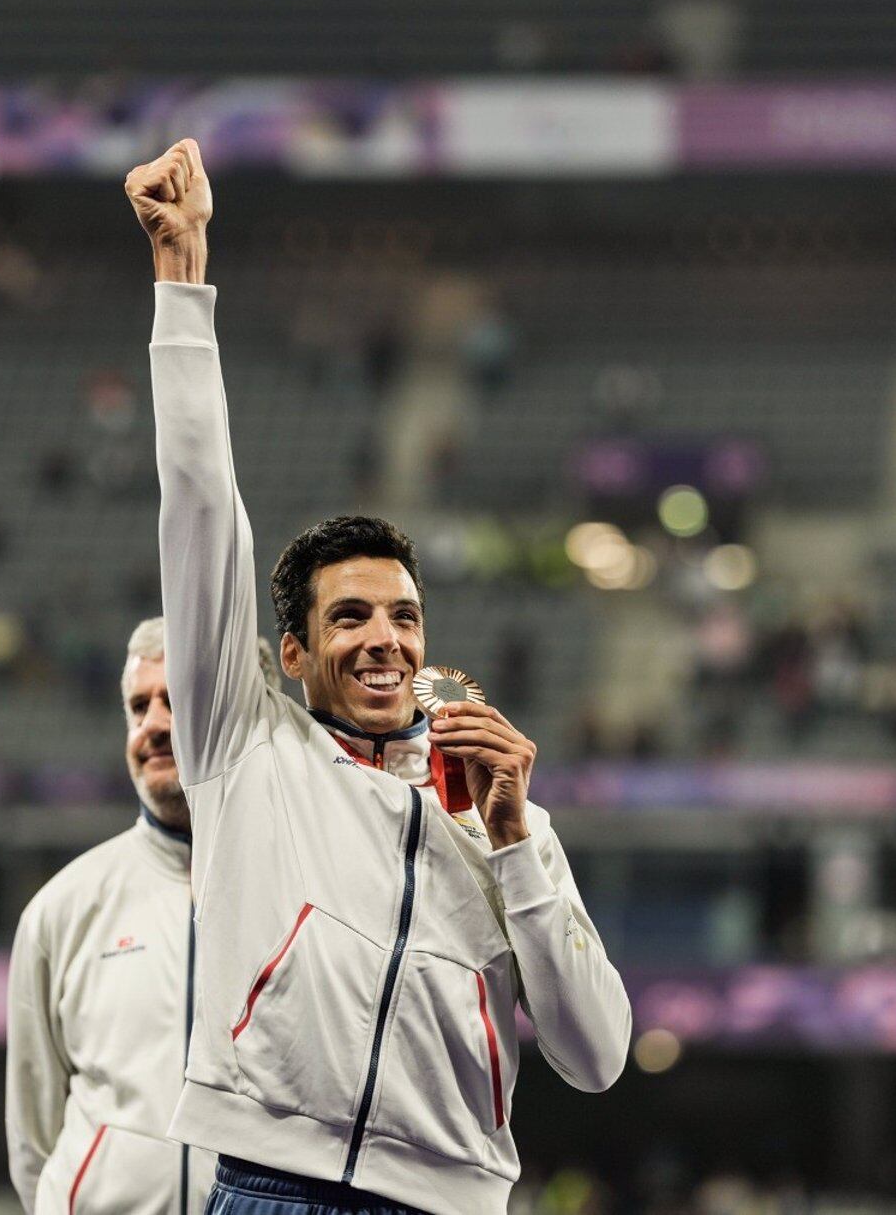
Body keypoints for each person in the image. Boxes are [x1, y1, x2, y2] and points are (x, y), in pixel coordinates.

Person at [128, 140, 631, 1215]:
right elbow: (199, 507)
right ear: (293, 653)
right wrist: (183, 278)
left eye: (404, 616)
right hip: (271, 1183)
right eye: (347, 616)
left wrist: (516, 840)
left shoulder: (495, 816)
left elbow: (596, 1057)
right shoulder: (242, 741)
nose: (383, 639)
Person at [7, 616, 278, 1215]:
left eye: (176, 701)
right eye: (138, 706)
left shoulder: (309, 891)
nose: (152, 725)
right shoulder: (63, 908)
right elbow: (33, 1138)